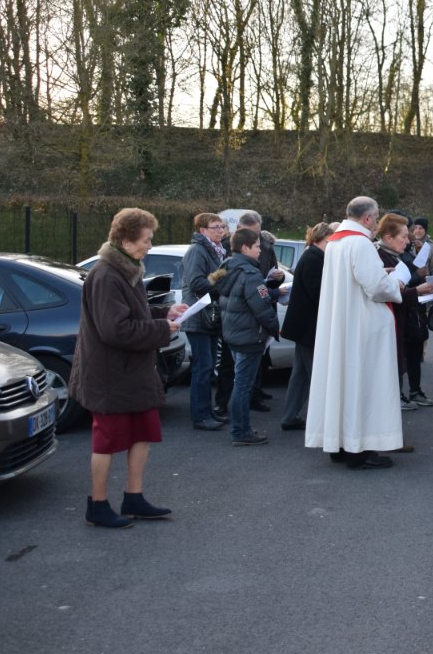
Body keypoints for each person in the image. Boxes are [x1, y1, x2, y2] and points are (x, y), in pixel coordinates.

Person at [70, 208, 187, 529]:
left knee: (142, 434)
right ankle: (97, 504)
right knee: (106, 441)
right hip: (111, 375)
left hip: (132, 373)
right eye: (146, 240)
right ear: (125, 239)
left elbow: (135, 311)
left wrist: (165, 311)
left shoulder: (127, 268)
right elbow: (115, 330)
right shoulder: (106, 275)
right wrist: (162, 330)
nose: (150, 246)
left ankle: (133, 498)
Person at [305, 196, 405, 470]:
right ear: (369, 218)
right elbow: (376, 287)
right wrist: (395, 282)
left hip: (342, 324)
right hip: (361, 326)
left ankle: (337, 444)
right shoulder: (360, 243)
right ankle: (358, 450)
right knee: (363, 384)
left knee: (340, 383)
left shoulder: (335, 241)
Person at [215, 227, 282, 446]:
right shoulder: (250, 273)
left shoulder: (227, 267)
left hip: (233, 334)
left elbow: (236, 296)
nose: (260, 251)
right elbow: (262, 308)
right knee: (243, 386)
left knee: (239, 383)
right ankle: (240, 431)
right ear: (245, 247)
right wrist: (275, 328)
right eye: (256, 247)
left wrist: (270, 291)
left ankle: (240, 429)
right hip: (249, 337)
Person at [375, 213, 433, 411]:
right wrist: (416, 289)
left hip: (407, 318)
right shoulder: (379, 257)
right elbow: (387, 295)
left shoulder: (396, 255)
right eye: (404, 236)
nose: (408, 239)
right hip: (392, 321)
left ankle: (409, 393)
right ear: (388, 237)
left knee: (408, 359)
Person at [278, 222, 332, 432]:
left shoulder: (313, 256)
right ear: (321, 239)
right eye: (330, 240)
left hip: (304, 327)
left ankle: (290, 416)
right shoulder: (313, 259)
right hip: (308, 327)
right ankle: (324, 422)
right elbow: (318, 292)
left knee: (301, 374)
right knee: (316, 375)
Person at [181, 213, 229, 431]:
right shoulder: (197, 251)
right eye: (215, 227)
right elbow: (197, 283)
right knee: (203, 367)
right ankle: (200, 416)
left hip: (209, 317)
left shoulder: (216, 250)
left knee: (208, 367)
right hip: (199, 316)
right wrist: (224, 282)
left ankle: (207, 412)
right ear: (202, 231)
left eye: (222, 226)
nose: (220, 230)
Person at [235, 211, 285, 413]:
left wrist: (278, 278)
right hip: (250, 319)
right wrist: (272, 292)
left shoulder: (266, 247)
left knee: (262, 358)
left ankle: (256, 392)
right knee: (244, 375)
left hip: (261, 307)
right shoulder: (243, 266)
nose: (258, 244)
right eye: (254, 238)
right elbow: (254, 291)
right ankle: (243, 418)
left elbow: (270, 274)